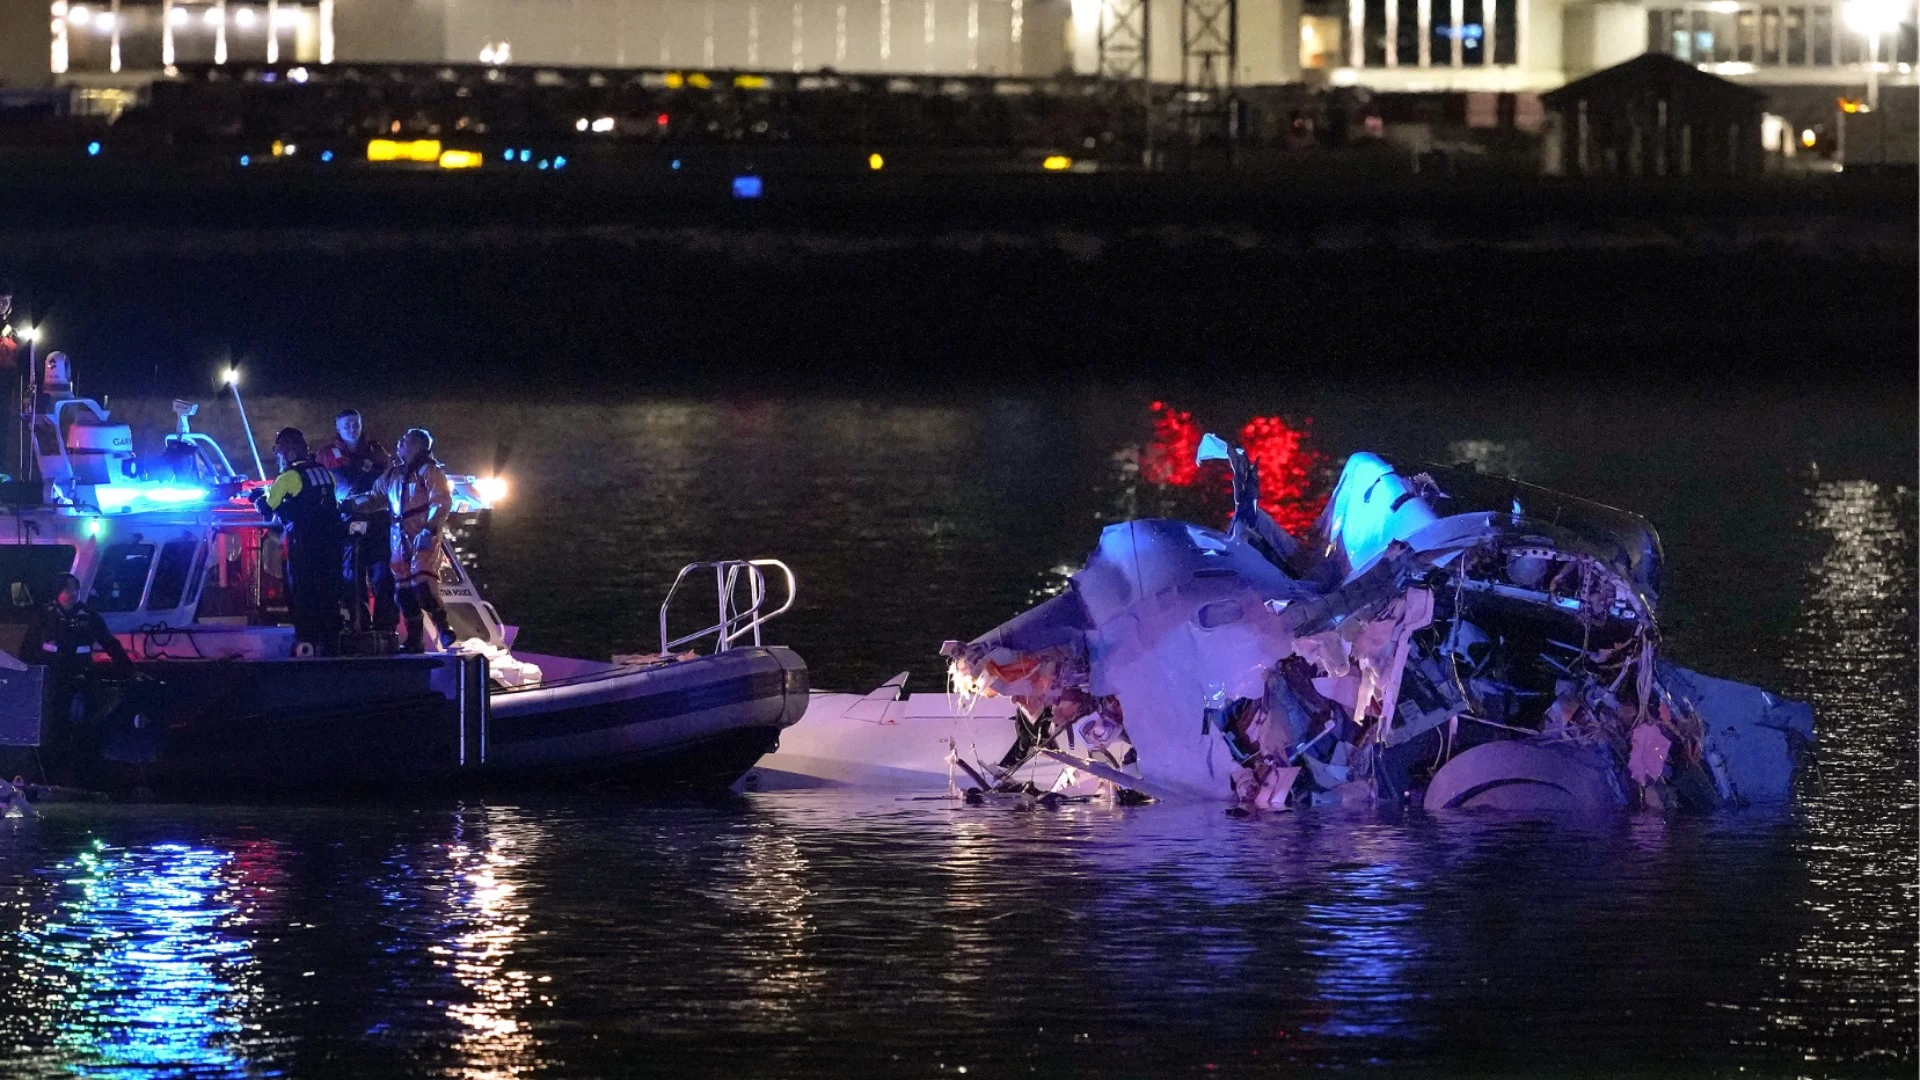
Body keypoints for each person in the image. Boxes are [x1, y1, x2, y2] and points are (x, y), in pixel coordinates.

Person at [22, 572, 136, 776]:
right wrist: (25, 673)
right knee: (53, 722)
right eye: (68, 588)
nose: (73, 593)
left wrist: (129, 671)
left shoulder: (90, 616)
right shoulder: (44, 616)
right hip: (53, 677)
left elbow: (110, 644)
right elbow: (29, 647)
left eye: (76, 588)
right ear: (58, 592)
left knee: (85, 720)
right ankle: (49, 769)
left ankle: (83, 767)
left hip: (81, 675)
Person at [251, 427, 346, 655]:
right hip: (331, 545)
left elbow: (267, 507)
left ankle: (307, 640)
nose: (280, 459)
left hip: (304, 544)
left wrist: (255, 497)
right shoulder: (325, 473)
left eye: (280, 454)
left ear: (288, 453)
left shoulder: (288, 477)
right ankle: (331, 642)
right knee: (329, 592)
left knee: (302, 592)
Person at [315, 408, 395, 636]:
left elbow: (389, 482)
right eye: (346, 424)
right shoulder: (327, 455)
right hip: (347, 522)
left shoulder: (376, 451)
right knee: (353, 577)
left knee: (383, 575)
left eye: (355, 423)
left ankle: (385, 627)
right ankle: (359, 626)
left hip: (378, 521)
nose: (352, 428)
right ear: (338, 428)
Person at [376, 427, 456, 654]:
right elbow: (373, 496)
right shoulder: (393, 474)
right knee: (403, 591)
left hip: (422, 536)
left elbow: (441, 502)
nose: (400, 443)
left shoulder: (430, 472)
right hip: (398, 539)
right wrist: (349, 504)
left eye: (407, 441)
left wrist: (429, 530)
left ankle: (443, 628)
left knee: (422, 584)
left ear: (420, 446)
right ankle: (414, 639)